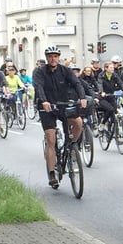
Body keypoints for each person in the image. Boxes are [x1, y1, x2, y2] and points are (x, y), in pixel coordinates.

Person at [33, 47, 88, 188]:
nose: (53, 59)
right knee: (51, 139)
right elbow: (38, 87)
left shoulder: (65, 71)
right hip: (46, 107)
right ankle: (52, 173)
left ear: (59, 57)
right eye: (50, 56)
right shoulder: (40, 72)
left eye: (55, 56)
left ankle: (72, 144)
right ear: (47, 58)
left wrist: (82, 97)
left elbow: (77, 83)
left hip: (62, 105)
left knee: (78, 122)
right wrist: (44, 101)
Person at [95, 60, 123, 130]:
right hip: (102, 98)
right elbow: (99, 84)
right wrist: (101, 92)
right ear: (106, 68)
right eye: (111, 68)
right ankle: (102, 123)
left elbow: (120, 83)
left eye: (113, 68)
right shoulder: (101, 76)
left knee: (115, 112)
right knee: (110, 109)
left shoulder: (114, 75)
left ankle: (114, 132)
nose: (113, 69)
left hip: (111, 96)